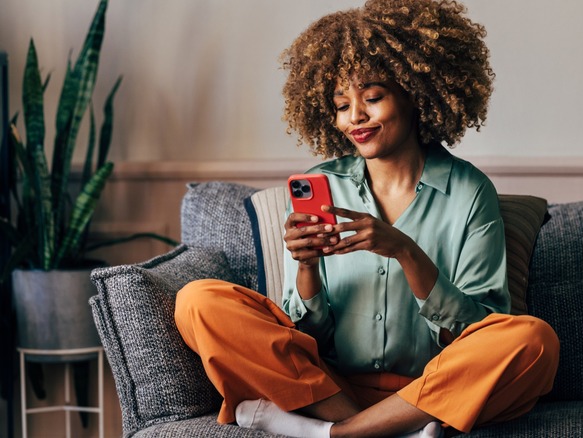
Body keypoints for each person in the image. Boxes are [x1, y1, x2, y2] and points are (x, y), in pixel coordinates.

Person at [174, 0, 560, 437]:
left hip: (435, 388)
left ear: (415, 94)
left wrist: (404, 250)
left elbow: (477, 333)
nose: (355, 117)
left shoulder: (469, 193)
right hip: (330, 387)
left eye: (372, 98)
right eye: (342, 105)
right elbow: (305, 338)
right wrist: (306, 267)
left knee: (533, 341)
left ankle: (337, 434)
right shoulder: (319, 186)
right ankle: (384, 427)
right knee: (198, 301)